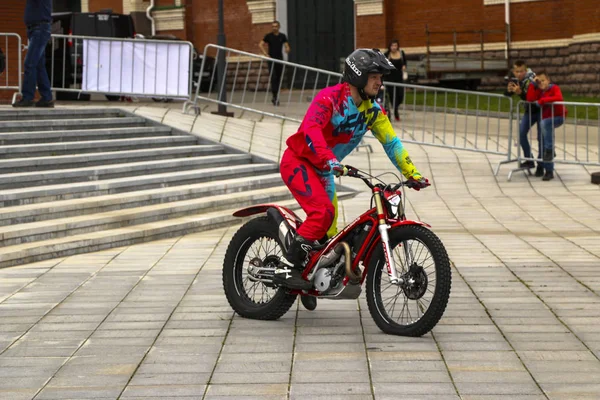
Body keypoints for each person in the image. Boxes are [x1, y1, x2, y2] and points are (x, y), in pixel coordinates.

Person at [273, 48, 429, 295]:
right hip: (298, 162)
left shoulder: (373, 111)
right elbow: (311, 130)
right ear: (357, 76)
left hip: (325, 170)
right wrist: (330, 159)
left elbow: (391, 143)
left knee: (330, 238)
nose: (380, 82)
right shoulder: (329, 99)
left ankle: (310, 282)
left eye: (381, 77)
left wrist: (413, 174)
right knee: (322, 214)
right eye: (374, 76)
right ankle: (288, 268)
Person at [526, 70, 567, 181]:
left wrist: (543, 100)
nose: (542, 84)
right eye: (539, 82)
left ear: (548, 80)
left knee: (544, 127)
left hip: (558, 116)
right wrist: (533, 84)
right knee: (544, 140)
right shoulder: (539, 90)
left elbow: (559, 98)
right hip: (546, 119)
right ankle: (549, 170)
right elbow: (530, 99)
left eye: (543, 81)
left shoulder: (554, 88)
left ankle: (550, 150)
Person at [13, 0, 54, 108]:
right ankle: (47, 98)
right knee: (39, 65)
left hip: (39, 28)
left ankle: (27, 97)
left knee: (29, 63)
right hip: (35, 28)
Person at [504, 60, 541, 175]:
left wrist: (520, 93)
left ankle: (542, 164)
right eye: (516, 71)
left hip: (540, 109)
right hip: (529, 111)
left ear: (526, 70)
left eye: (521, 71)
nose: (519, 74)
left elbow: (531, 98)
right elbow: (508, 94)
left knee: (541, 138)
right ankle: (529, 159)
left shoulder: (532, 80)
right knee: (521, 133)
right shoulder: (516, 80)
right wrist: (509, 91)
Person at [258, 21, 290, 106]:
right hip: (271, 60)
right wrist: (265, 54)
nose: (274, 28)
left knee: (279, 78)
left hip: (279, 59)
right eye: (273, 26)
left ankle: (275, 95)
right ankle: (275, 97)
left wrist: (287, 49)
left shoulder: (282, 36)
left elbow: (287, 45)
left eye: (275, 26)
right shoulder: (268, 36)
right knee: (273, 77)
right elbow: (260, 44)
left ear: (278, 27)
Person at [383, 39, 407, 121]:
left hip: (399, 78)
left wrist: (404, 66)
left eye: (395, 45)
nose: (394, 47)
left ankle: (396, 106)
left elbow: (405, 62)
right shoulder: (386, 55)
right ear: (390, 47)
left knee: (400, 95)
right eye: (392, 46)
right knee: (393, 96)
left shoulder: (401, 53)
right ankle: (396, 111)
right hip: (390, 79)